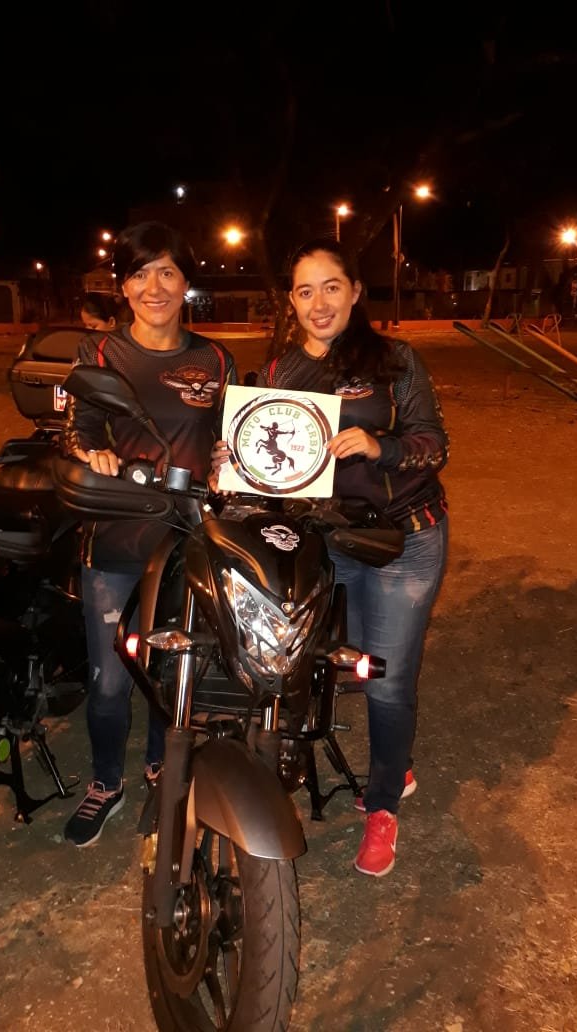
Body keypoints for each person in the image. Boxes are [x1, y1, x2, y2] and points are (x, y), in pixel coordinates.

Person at [212, 237, 449, 877]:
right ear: (291, 301)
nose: (319, 303)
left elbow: (434, 444)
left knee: (387, 677)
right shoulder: (279, 371)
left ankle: (384, 802)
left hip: (404, 535)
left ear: (355, 291)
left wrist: (380, 446)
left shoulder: (396, 360)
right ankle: (381, 763)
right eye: (305, 290)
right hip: (325, 542)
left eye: (332, 287)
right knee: (326, 667)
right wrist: (231, 462)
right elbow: (266, 468)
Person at [61, 221, 237, 847]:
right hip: (115, 535)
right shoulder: (100, 353)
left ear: (187, 282)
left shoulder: (216, 360)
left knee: (171, 664)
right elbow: (78, 428)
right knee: (110, 677)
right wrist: (91, 453)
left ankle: (162, 765)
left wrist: (227, 459)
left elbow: (232, 434)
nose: (154, 287)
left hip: (187, 536)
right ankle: (106, 782)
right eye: (139, 273)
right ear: (123, 286)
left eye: (167, 271)